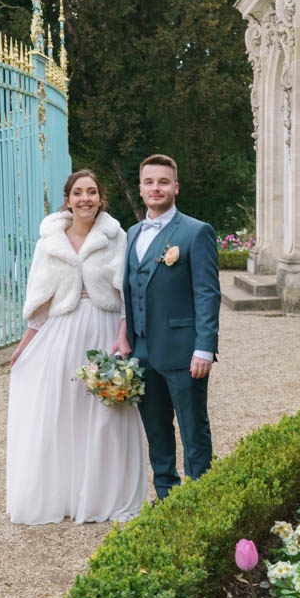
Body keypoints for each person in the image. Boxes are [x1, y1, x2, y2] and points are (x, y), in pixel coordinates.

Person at [6, 170, 148, 524]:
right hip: (63, 333)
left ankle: (102, 495)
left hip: (104, 331)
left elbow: (127, 292)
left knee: (105, 415)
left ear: (101, 198)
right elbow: (39, 300)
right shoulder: (48, 243)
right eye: (79, 193)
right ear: (68, 200)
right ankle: (65, 494)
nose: (86, 198)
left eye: (92, 192)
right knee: (61, 412)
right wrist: (25, 345)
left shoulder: (117, 238)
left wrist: (124, 334)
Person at [115, 154, 220, 500]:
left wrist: (204, 348)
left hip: (184, 351)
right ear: (140, 188)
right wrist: (126, 338)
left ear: (176, 187)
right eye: (149, 182)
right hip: (142, 350)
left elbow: (207, 294)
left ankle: (201, 498)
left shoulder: (196, 231)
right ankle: (167, 499)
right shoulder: (132, 233)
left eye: (163, 182)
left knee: (193, 430)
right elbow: (131, 289)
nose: (155, 188)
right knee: (157, 432)